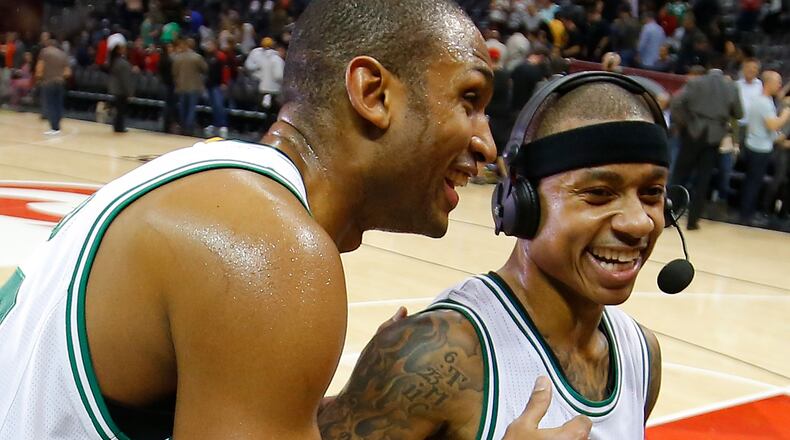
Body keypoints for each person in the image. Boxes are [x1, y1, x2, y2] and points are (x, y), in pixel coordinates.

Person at [0, 1, 566, 438]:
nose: (486, 144)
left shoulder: (209, 182)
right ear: (373, 93)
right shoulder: (269, 251)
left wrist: (345, 412)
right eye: (469, 100)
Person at [318, 75, 663, 439]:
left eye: (652, 193)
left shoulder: (641, 354)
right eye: (599, 194)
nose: (638, 222)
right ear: (521, 200)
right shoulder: (431, 357)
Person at [670, 66, 742, 229]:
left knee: (679, 175)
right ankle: (693, 221)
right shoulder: (731, 87)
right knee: (703, 179)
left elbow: (676, 102)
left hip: (693, 131)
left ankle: (669, 214)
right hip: (714, 135)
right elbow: (739, 113)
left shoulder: (696, 82)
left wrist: (684, 123)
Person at [739, 71, 790, 224]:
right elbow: (773, 125)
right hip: (759, 148)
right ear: (769, 83)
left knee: (752, 182)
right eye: (778, 82)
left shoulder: (760, 100)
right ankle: (747, 215)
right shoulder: (764, 102)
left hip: (754, 144)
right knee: (753, 183)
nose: (779, 86)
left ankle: (746, 212)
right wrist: (786, 114)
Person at [35, 38, 70, 135]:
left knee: (50, 105)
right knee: (58, 104)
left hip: (48, 82)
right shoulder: (63, 54)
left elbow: (40, 67)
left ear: (48, 44)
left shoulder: (44, 52)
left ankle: (53, 128)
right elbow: (67, 72)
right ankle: (57, 126)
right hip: (60, 82)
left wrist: (38, 78)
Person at [107, 43, 135, 133]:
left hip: (115, 89)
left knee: (118, 110)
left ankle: (117, 126)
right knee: (121, 110)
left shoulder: (113, 61)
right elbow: (125, 80)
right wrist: (130, 92)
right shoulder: (123, 63)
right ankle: (120, 127)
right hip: (121, 90)